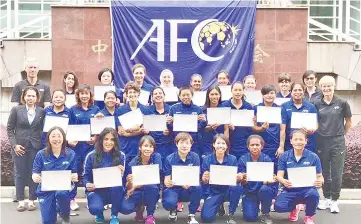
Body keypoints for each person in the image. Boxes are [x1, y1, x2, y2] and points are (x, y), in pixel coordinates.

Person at [314, 75, 352, 213]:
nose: (326, 88)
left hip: (337, 142)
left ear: (333, 86)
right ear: (321, 88)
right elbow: (316, 122)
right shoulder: (317, 104)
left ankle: (335, 201)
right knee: (324, 171)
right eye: (324, 86)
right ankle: (327, 198)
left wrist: (341, 135)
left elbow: (348, 122)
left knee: (336, 172)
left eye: (329, 86)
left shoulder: (342, 103)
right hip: (322, 141)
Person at [7, 86, 45, 212]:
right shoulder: (16, 110)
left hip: (35, 146)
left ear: (37, 98)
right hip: (19, 147)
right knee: (20, 173)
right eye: (28, 95)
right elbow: (10, 128)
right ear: (24, 97)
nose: (30, 98)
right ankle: (21, 201)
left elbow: (42, 129)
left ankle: (31, 200)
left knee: (33, 173)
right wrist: (14, 145)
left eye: (33, 96)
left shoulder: (41, 111)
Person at [274, 130, 324, 224]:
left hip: (308, 189)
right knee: (279, 206)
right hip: (290, 188)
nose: (298, 142)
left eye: (301, 139)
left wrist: (320, 181)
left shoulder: (313, 157)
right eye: (295, 139)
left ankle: (308, 216)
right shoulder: (284, 156)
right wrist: (284, 181)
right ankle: (295, 208)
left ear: (306, 141)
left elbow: (320, 176)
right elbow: (279, 176)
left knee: (313, 195)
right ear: (291, 141)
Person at [32, 126, 78, 224]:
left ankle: (65, 215)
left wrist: (74, 176)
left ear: (63, 138)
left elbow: (75, 174)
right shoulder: (41, 154)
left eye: (59, 136)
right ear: (48, 138)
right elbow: (35, 172)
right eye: (53, 136)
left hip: (64, 189)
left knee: (61, 194)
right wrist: (35, 177)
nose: (56, 139)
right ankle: (55, 208)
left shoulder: (71, 154)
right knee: (48, 221)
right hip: (46, 190)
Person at [83, 128, 126, 224]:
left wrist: (121, 173)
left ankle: (114, 215)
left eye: (112, 139)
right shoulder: (91, 156)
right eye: (106, 139)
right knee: (95, 208)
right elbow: (85, 177)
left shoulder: (121, 156)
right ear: (101, 140)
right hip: (97, 191)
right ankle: (99, 213)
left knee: (120, 193)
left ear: (115, 142)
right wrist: (87, 184)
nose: (109, 142)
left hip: (114, 191)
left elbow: (122, 180)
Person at [68, 84, 100, 210]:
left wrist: (96, 137)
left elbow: (99, 128)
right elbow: (68, 127)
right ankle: (72, 199)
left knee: (90, 172)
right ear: (78, 95)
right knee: (74, 172)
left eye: (87, 93)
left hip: (90, 147)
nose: (84, 96)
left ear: (90, 95)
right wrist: (70, 140)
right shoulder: (72, 110)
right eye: (82, 94)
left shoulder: (96, 109)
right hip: (76, 148)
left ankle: (91, 197)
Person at [120, 135, 162, 224]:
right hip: (137, 192)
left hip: (151, 190)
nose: (148, 149)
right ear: (140, 147)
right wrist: (129, 182)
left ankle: (150, 215)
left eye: (151, 146)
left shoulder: (156, 157)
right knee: (125, 208)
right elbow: (128, 187)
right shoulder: (133, 163)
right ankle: (139, 209)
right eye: (145, 146)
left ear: (154, 149)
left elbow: (154, 177)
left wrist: (135, 186)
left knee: (151, 186)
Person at [162, 132, 202, 224]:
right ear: (176, 144)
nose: (184, 146)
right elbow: (166, 180)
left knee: (198, 187)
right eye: (181, 143)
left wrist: (189, 183)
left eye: (187, 143)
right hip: (174, 188)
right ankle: (173, 209)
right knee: (168, 203)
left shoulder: (195, 157)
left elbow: (195, 176)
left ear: (191, 145)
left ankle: (191, 215)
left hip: (189, 186)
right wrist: (169, 183)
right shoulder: (169, 159)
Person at [200, 134, 241, 224]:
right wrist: (204, 178)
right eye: (218, 143)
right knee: (206, 218)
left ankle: (231, 214)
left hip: (227, 190)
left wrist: (238, 177)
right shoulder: (207, 159)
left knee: (237, 186)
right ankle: (219, 205)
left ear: (227, 146)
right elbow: (204, 181)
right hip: (213, 191)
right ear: (214, 145)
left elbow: (235, 179)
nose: (221, 145)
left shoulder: (232, 159)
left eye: (223, 143)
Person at [238, 135, 277, 224]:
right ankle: (248, 205)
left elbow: (270, 179)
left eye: (257, 145)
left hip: (263, 190)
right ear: (248, 147)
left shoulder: (267, 159)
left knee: (266, 189)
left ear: (262, 146)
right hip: (250, 192)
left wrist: (268, 180)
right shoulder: (243, 160)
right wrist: (242, 179)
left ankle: (265, 213)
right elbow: (242, 182)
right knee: (250, 218)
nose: (255, 147)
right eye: (252, 145)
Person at [278, 82, 318, 154]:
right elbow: (282, 129)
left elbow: (316, 125)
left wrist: (312, 130)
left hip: (307, 144)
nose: (297, 92)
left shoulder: (311, 107)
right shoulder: (284, 106)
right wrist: (281, 146)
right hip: (289, 144)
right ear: (291, 92)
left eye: (300, 90)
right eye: (295, 90)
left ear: (303, 91)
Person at [167, 86, 207, 155]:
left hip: (194, 144)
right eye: (183, 95)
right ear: (179, 96)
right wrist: (168, 123)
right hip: (178, 143)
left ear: (192, 95)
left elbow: (200, 128)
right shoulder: (173, 108)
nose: (186, 97)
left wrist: (204, 121)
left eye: (188, 95)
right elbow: (170, 128)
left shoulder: (198, 109)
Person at [117, 81, 149, 164]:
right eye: (130, 92)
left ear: (138, 93)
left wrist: (128, 131)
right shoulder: (120, 110)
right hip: (125, 147)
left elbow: (145, 129)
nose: (132, 94)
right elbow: (121, 132)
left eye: (134, 92)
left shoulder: (145, 110)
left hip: (140, 147)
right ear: (126, 95)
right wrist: (138, 129)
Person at [222, 82, 253, 160]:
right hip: (231, 143)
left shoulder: (248, 106)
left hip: (244, 143)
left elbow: (251, 127)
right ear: (231, 91)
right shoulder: (224, 106)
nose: (238, 92)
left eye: (240, 90)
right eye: (235, 90)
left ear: (243, 91)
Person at [253, 85, 280, 170]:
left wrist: (281, 146)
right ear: (262, 95)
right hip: (261, 145)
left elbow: (283, 129)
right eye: (266, 93)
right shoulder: (256, 108)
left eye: (271, 93)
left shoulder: (280, 109)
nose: (269, 95)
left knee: (274, 170)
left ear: (275, 95)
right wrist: (261, 128)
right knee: (261, 170)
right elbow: (253, 128)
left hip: (275, 145)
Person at [146, 87, 173, 159]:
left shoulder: (171, 109)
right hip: (153, 145)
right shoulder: (147, 110)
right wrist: (145, 130)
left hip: (168, 144)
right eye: (155, 94)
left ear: (164, 96)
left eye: (160, 93)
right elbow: (143, 127)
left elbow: (176, 127)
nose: (158, 95)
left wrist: (170, 130)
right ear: (152, 98)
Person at [201, 86, 224, 157]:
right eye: (212, 94)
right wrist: (210, 127)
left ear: (220, 95)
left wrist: (226, 143)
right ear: (208, 95)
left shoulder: (224, 110)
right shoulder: (202, 110)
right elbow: (200, 128)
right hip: (206, 143)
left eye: (216, 94)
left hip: (221, 143)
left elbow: (226, 129)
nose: (214, 96)